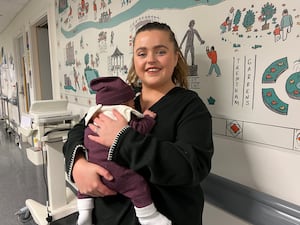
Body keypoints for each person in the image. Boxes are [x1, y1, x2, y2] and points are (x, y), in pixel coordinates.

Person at [63, 21, 214, 225]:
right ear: (134, 60)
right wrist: (78, 164)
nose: (150, 60)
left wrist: (123, 139)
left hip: (170, 216)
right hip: (109, 217)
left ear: (176, 56)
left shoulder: (190, 106)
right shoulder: (121, 99)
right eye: (142, 54)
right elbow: (79, 130)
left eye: (160, 51)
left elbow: (191, 166)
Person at [77, 76, 171, 225]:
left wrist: (81, 162)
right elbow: (138, 129)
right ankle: (148, 216)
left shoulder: (94, 116)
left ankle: (84, 211)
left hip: (94, 171)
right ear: (124, 103)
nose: (134, 104)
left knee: (83, 190)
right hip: (114, 173)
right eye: (132, 101)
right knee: (137, 185)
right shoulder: (122, 115)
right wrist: (148, 119)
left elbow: (79, 132)